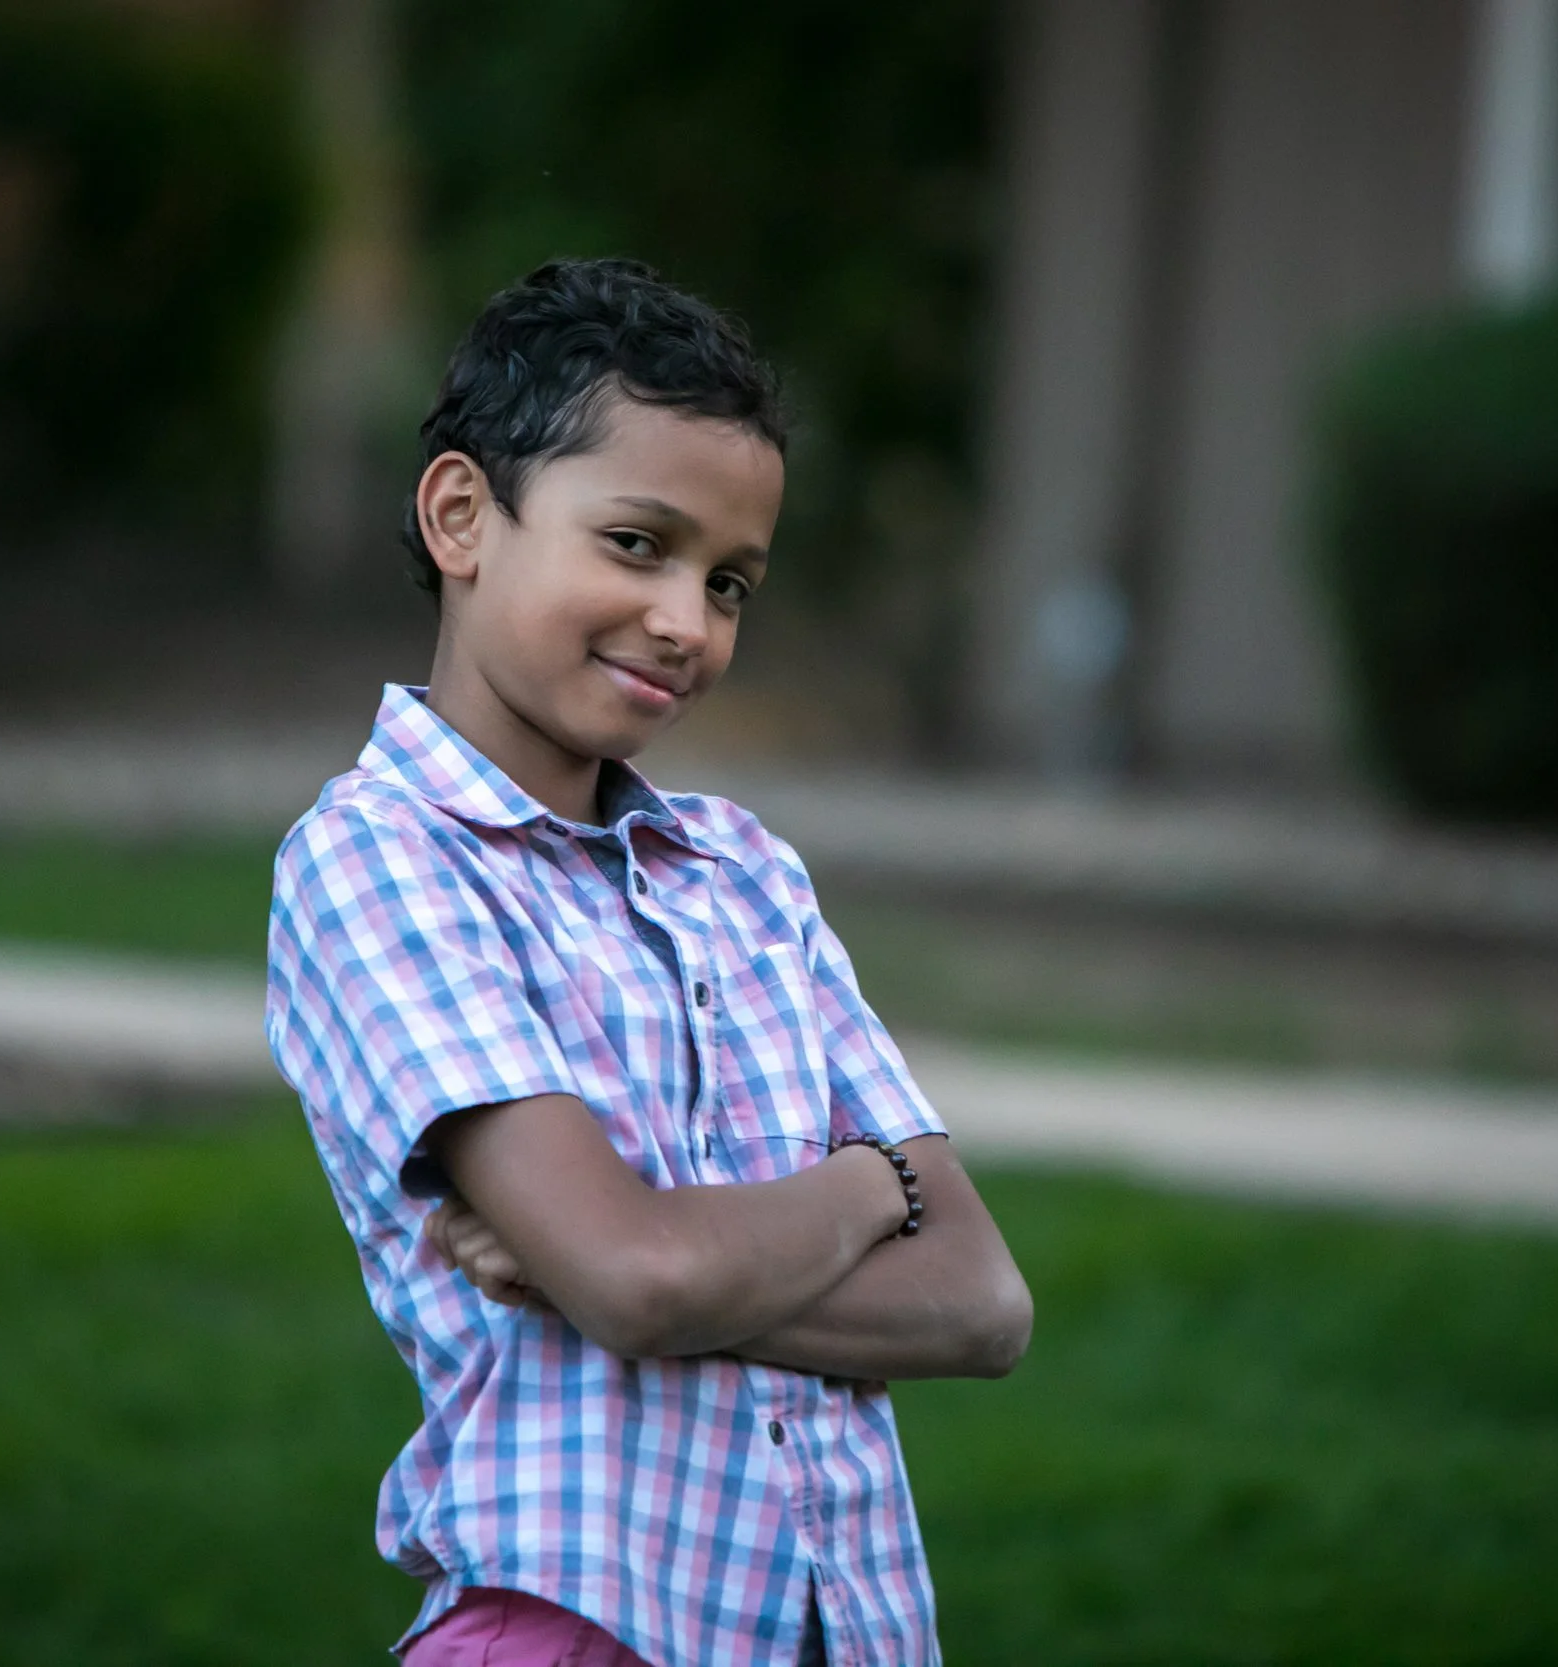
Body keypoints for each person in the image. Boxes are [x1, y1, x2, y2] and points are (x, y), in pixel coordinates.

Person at [264, 257, 1034, 1667]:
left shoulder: (743, 873)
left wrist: (639, 1260)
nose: (688, 621)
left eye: (730, 579)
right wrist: (876, 1186)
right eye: (638, 544)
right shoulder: (379, 860)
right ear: (460, 517)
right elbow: (638, 1276)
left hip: (841, 1631)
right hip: (577, 1622)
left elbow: (984, 1302)